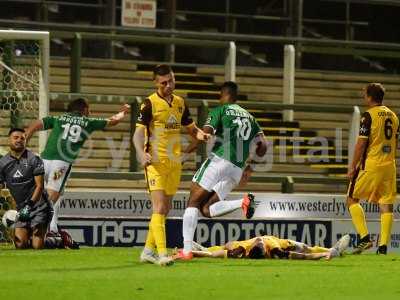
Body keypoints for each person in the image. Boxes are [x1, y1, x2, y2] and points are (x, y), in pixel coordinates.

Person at [175, 81, 268, 260]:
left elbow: (203, 134)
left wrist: (185, 155)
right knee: (206, 209)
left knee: (193, 201)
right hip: (237, 169)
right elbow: (263, 145)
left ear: (222, 95)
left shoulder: (220, 110)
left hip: (220, 160)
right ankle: (243, 202)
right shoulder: (250, 117)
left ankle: (186, 250)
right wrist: (250, 168)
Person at [133, 64, 209, 266]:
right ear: (156, 83)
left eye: (171, 80)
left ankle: (147, 252)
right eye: (164, 82)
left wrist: (202, 135)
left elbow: (192, 130)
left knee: (164, 209)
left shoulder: (180, 103)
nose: (168, 85)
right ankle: (162, 254)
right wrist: (141, 153)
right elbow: (138, 134)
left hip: (174, 164)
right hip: (155, 164)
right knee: (158, 207)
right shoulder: (148, 104)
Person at [25, 98, 130, 235]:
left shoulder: (58, 118)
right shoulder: (88, 122)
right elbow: (113, 121)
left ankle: (52, 227)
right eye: (89, 109)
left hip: (43, 161)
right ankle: (38, 228)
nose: (90, 112)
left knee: (52, 193)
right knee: (52, 197)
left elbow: (39, 123)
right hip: (61, 163)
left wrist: (27, 135)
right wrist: (123, 113)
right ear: (84, 110)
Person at [0, 128, 75, 249]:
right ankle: (34, 236)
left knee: (37, 246)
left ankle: (59, 240)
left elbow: (40, 186)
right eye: (16, 138)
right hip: (21, 208)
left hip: (40, 206)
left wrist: (29, 206)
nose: (19, 140)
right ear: (9, 140)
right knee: (21, 245)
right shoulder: (3, 163)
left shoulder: (34, 159)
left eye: (22, 138)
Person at [347, 83, 399, 255]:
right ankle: (383, 247)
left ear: (370, 97)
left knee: (351, 199)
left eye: (365, 94)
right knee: (386, 204)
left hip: (372, 164)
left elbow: (361, 143)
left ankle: (364, 238)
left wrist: (353, 165)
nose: (364, 97)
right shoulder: (393, 116)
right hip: (389, 166)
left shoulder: (368, 116)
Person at [184, 234, 350, 261]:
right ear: (265, 250)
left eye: (259, 243)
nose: (259, 240)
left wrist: (191, 253)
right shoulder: (277, 250)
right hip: (284, 242)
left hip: (234, 247)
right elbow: (304, 258)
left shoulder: (241, 250)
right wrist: (322, 256)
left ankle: (202, 247)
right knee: (306, 248)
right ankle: (332, 250)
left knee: (226, 246)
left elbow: (213, 256)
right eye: (261, 244)